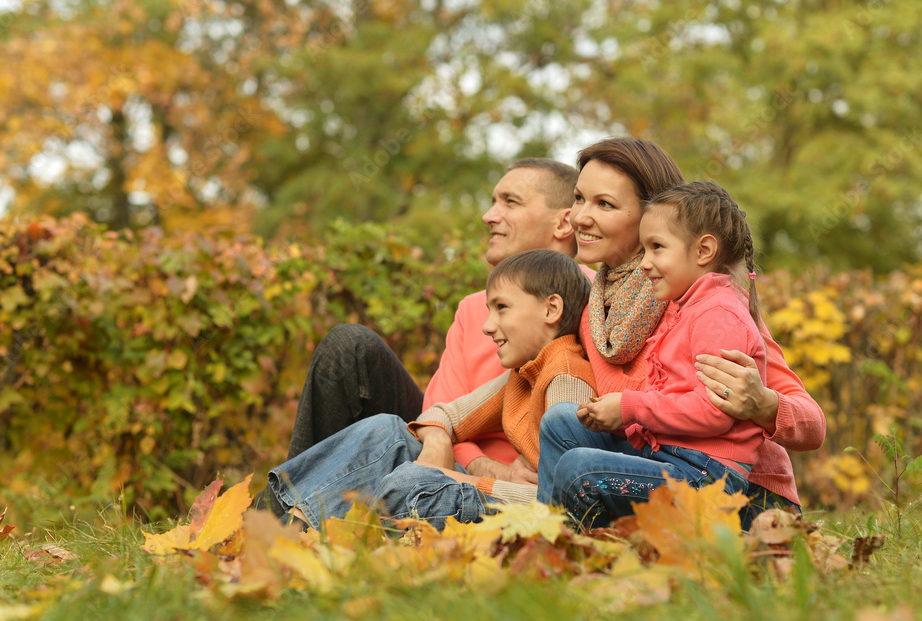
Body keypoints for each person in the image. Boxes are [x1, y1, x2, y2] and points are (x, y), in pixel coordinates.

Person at [253, 158, 588, 514]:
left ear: (564, 222)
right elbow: (437, 416)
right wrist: (476, 464)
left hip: (524, 492)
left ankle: (279, 520)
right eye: (493, 201)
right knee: (349, 348)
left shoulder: (593, 306)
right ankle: (281, 512)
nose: (489, 215)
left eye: (510, 202)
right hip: (448, 459)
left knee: (388, 438)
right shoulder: (474, 309)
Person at [533, 137, 826, 530]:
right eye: (579, 198)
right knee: (562, 420)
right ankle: (560, 542)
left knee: (579, 467)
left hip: (741, 490)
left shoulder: (711, 305)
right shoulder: (594, 314)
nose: (580, 217)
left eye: (604, 204)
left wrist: (764, 404)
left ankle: (574, 550)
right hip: (657, 461)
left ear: (650, 213)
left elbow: (813, 426)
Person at [264, 249, 595, 529]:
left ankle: (312, 541)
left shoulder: (565, 383)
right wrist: (437, 440)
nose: (487, 326)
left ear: (552, 309)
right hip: (493, 493)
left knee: (410, 481)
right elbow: (446, 413)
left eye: (502, 308)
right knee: (386, 431)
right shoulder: (525, 375)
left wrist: (463, 479)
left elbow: (562, 505)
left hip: (527, 517)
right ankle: (280, 527)